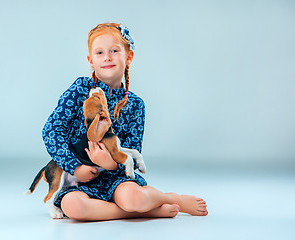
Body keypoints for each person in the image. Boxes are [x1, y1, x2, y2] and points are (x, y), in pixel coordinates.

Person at [42, 23, 208, 221]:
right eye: (100, 52)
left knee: (133, 198)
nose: (107, 57)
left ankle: (170, 198)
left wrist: (111, 164)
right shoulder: (80, 89)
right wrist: (75, 167)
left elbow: (133, 149)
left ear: (128, 57)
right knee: (73, 207)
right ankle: (150, 211)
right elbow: (52, 130)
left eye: (114, 50)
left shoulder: (136, 104)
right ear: (90, 60)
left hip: (117, 178)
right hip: (81, 180)